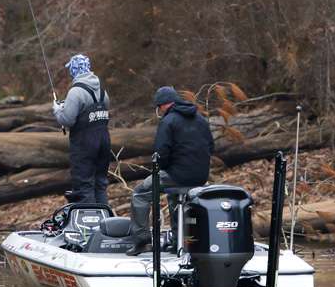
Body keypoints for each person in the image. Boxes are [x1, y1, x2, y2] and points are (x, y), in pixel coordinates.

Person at [127, 86, 215, 255]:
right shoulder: (200, 118)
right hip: (200, 175)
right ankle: (178, 242)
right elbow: (211, 146)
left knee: (140, 193)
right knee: (175, 195)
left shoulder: (168, 121)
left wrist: (164, 167)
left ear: (161, 106)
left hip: (177, 174)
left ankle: (142, 241)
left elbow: (161, 153)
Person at [53, 54, 111, 205]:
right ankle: (105, 223)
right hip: (104, 141)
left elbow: (67, 120)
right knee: (100, 184)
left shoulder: (76, 91)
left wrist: (58, 110)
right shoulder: (102, 91)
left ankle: (89, 226)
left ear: (74, 70)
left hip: (85, 144)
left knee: (84, 185)